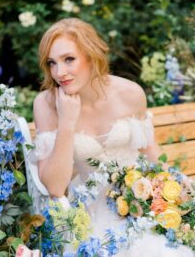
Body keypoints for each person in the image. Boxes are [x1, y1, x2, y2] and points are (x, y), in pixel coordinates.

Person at [31, 18, 194, 256]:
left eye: (69, 59)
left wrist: (175, 190)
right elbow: (55, 188)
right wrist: (66, 123)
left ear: (91, 55)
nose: (59, 72)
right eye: (52, 63)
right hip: (87, 213)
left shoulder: (130, 93)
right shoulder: (46, 105)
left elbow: (151, 154)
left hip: (137, 202)